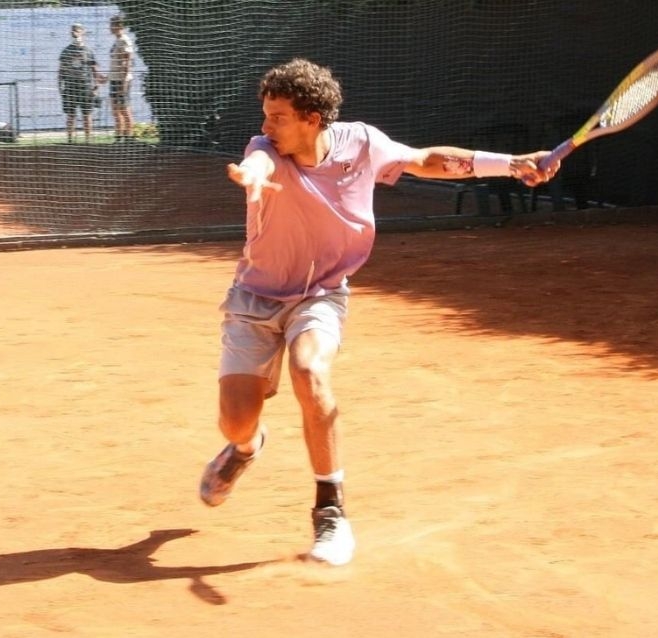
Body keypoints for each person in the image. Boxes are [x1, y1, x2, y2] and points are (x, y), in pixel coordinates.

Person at [199, 58, 558, 566]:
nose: (266, 126)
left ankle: (330, 512)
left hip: (321, 294)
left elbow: (426, 159)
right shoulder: (266, 148)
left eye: (278, 116)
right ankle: (245, 448)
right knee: (236, 422)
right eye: (266, 115)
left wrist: (512, 163)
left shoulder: (363, 144)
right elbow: (257, 160)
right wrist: (252, 176)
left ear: (312, 119)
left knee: (310, 371)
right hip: (255, 298)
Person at [58, 23, 105, 143]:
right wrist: (60, 87)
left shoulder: (88, 51)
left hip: (85, 86)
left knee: (87, 114)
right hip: (70, 86)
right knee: (71, 115)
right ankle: (70, 140)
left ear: (82, 32)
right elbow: (61, 70)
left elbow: (94, 70)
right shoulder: (66, 51)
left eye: (77, 30)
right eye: (72, 30)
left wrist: (96, 87)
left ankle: (88, 140)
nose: (74, 32)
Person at [107, 15, 134, 142]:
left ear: (119, 26)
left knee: (124, 109)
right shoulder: (117, 41)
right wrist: (107, 77)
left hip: (122, 80)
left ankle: (129, 138)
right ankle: (119, 137)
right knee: (115, 110)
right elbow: (116, 63)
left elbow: (126, 62)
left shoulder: (124, 40)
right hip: (114, 79)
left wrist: (124, 82)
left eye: (112, 25)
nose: (110, 27)